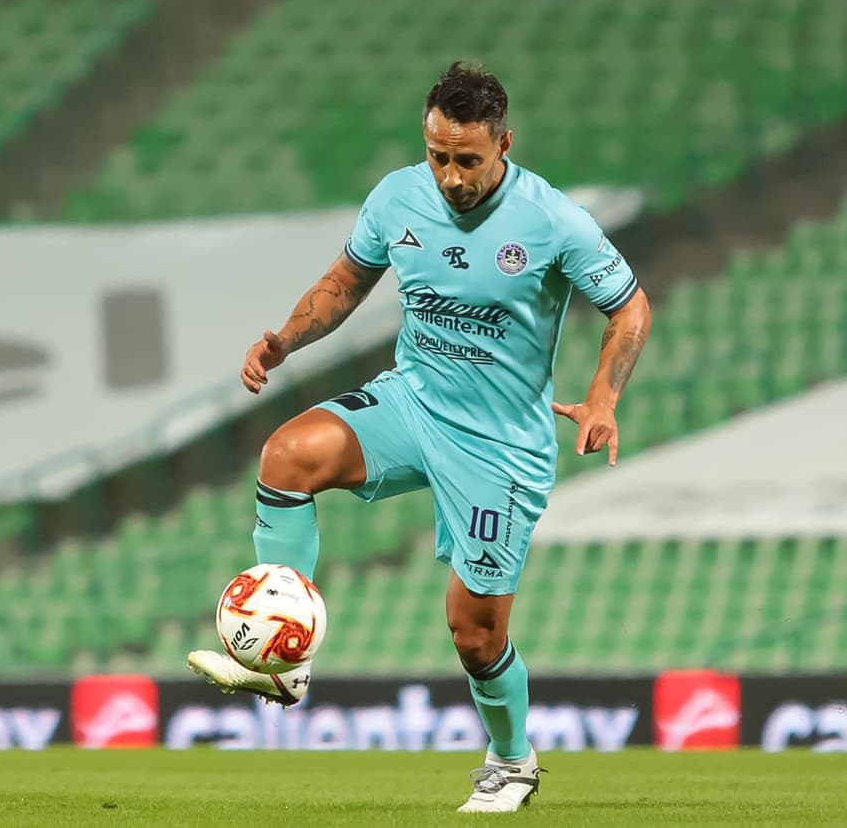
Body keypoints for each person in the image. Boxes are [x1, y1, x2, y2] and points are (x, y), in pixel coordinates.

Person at [188, 60, 651, 813]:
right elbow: (345, 282)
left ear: (504, 143)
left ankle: (513, 762)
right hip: (414, 402)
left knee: (474, 635)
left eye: (468, 159)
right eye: (438, 156)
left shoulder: (553, 220)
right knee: (287, 455)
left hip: (500, 445)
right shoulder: (397, 197)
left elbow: (630, 310)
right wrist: (285, 341)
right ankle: (285, 656)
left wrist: (603, 395)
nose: (451, 176)